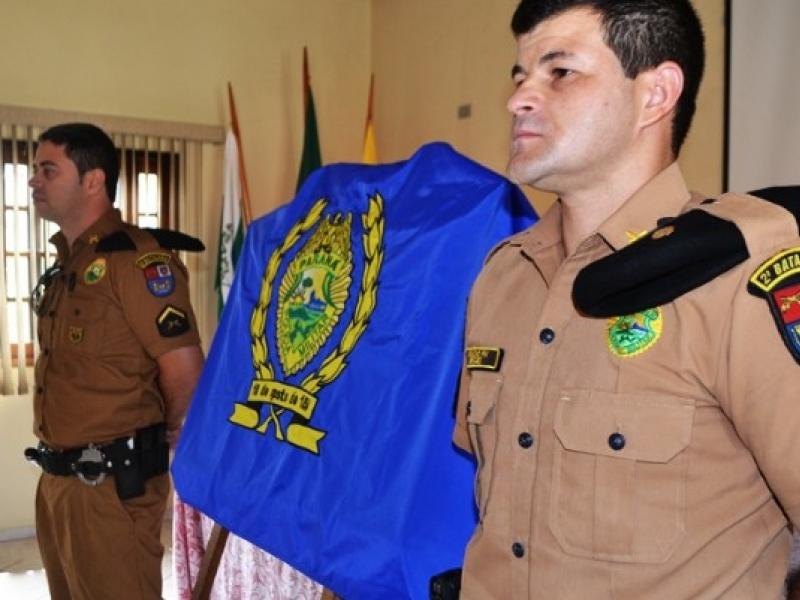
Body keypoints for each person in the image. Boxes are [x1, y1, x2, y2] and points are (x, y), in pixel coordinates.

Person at [453, 1, 800, 598]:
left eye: (559, 72)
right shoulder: (501, 277)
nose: (518, 99)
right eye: (519, 76)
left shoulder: (738, 274)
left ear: (657, 93)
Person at [25, 122, 204, 599]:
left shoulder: (139, 261)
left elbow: (184, 372)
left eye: (48, 169)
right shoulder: (71, 264)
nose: (33, 180)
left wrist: (151, 438)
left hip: (110, 486)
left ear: (93, 180)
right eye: (33, 169)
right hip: (58, 485)